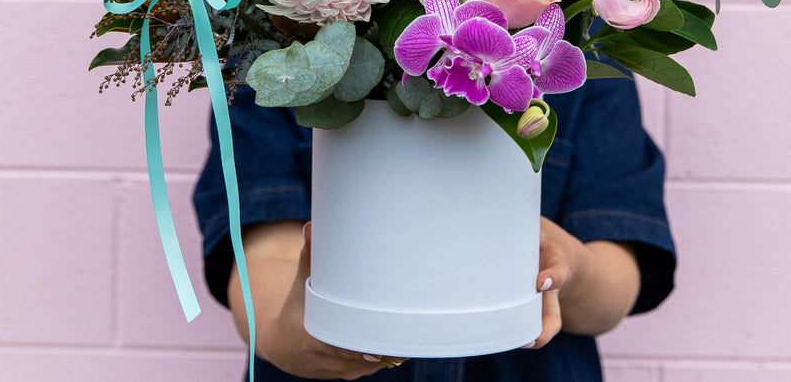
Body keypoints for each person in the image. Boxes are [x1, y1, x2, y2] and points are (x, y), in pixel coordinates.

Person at [193, 74, 675, 381]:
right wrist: (293, 338)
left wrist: (563, 263)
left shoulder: (583, 51)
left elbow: (615, 286)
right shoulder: (276, 54)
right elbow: (265, 256)